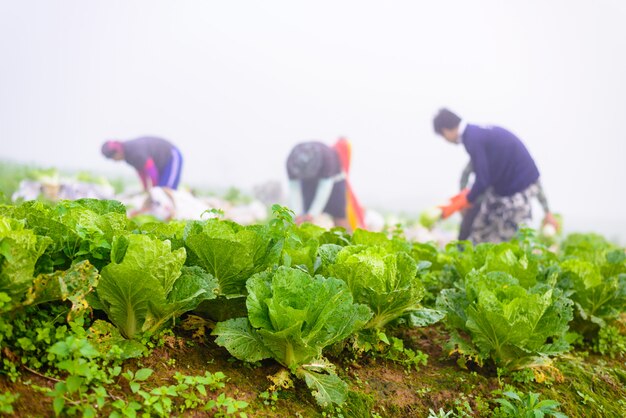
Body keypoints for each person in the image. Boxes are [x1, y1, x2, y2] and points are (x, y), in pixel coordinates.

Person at [432, 108, 558, 243]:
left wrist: (465, 201)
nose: (446, 140)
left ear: (445, 131)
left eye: (443, 136)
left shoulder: (473, 139)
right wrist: (466, 200)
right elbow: (474, 174)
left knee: (502, 242)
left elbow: (482, 180)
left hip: (516, 194)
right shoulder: (477, 134)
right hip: (503, 190)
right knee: (479, 233)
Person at [286, 138, 365, 232]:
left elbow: (324, 188)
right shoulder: (291, 162)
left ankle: (347, 240)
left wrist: (312, 214)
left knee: (339, 217)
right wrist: (298, 214)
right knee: (305, 219)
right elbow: (294, 189)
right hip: (308, 185)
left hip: (335, 181)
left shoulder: (327, 157)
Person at [101, 136, 183, 191]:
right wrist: (145, 189)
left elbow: (151, 170)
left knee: (165, 190)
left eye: (113, 158)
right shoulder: (127, 157)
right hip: (160, 164)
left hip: (171, 156)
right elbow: (142, 172)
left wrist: (154, 190)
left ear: (118, 152)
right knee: (160, 191)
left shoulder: (135, 152)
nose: (114, 161)